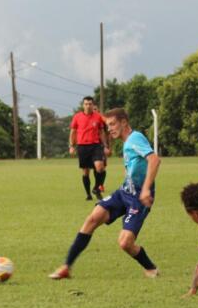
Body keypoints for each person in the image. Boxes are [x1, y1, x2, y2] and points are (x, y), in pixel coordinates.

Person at [50, 108, 161, 279]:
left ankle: (151, 268)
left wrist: (146, 189)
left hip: (139, 198)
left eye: (112, 124)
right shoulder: (127, 141)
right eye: (107, 125)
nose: (109, 129)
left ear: (124, 122)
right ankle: (66, 267)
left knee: (125, 243)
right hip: (124, 192)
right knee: (92, 218)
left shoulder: (135, 138)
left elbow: (154, 159)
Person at [69, 96, 110, 200]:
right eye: (86, 104)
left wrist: (105, 145)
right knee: (86, 172)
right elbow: (73, 132)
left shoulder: (98, 116)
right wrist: (71, 146)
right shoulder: (77, 117)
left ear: (93, 105)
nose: (88, 106)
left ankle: (96, 187)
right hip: (82, 146)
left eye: (90, 104)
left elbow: (101, 132)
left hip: (95, 145)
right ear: (83, 105)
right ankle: (88, 194)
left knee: (100, 167)